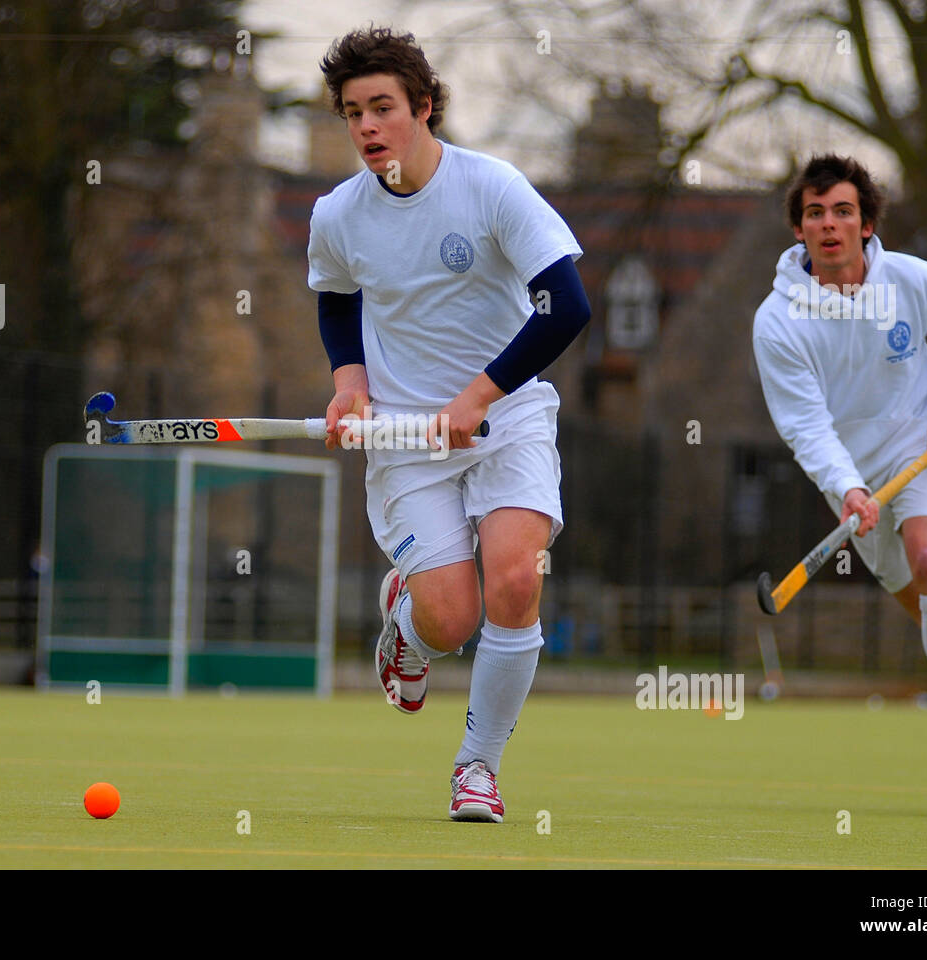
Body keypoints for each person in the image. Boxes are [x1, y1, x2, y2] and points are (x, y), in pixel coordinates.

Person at [306, 26, 590, 821]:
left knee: (515, 580)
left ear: (423, 106)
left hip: (508, 418)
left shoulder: (492, 188)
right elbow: (336, 298)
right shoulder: (337, 214)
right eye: (353, 112)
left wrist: (481, 395)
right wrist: (349, 384)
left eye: (383, 107)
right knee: (450, 618)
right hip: (405, 437)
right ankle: (410, 623)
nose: (368, 127)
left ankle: (478, 768)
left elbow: (567, 306)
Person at [752, 154, 927, 797]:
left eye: (843, 211)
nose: (829, 224)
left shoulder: (909, 279)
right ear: (799, 229)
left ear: (866, 223)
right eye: (815, 213)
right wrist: (847, 487)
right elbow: (805, 426)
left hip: (919, 448)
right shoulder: (777, 322)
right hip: (850, 478)